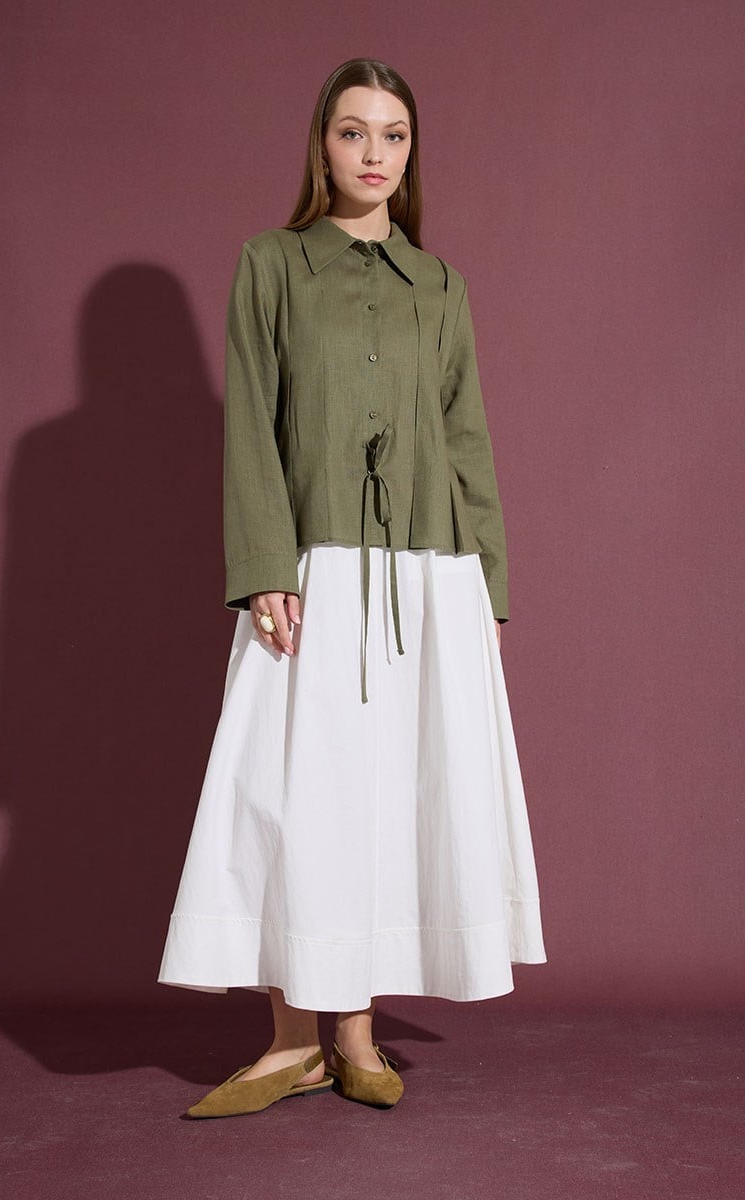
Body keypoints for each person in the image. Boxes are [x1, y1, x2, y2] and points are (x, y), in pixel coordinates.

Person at [158, 56, 546, 1118]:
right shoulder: (271, 265)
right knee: (300, 792)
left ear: (411, 154)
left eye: (393, 135)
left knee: (390, 794)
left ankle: (357, 1036)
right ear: (321, 146)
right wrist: (263, 570)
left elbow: (466, 440)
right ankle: (292, 1043)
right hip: (313, 570)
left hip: (429, 575)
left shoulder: (440, 286)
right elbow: (250, 421)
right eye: (352, 132)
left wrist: (487, 590)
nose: (374, 153)